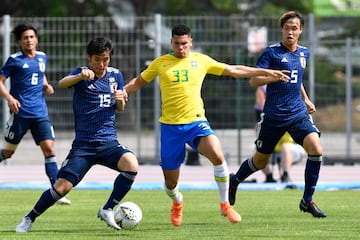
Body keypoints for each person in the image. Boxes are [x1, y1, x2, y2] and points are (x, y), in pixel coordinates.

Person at [125, 24, 289, 226]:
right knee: (170, 183)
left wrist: (266, 72)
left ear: (190, 41)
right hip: (170, 128)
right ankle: (177, 201)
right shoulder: (161, 63)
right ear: (171, 43)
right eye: (177, 44)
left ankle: (225, 204)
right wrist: (123, 92)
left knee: (217, 155)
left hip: (196, 123)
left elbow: (233, 70)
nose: (181, 48)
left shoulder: (200, 60)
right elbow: (138, 82)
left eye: (184, 43)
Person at [15, 37, 139, 233]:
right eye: (97, 59)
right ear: (89, 57)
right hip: (84, 147)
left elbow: (120, 108)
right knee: (61, 188)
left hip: (108, 143)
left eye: (105, 59)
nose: (101, 64)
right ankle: (29, 218)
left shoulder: (116, 75)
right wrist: (81, 76)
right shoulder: (82, 74)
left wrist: (121, 100)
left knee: (131, 165)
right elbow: (63, 83)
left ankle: (107, 208)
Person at [229, 11, 327, 218]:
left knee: (316, 149)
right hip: (273, 116)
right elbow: (253, 81)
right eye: (287, 28)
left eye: (294, 28)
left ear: (300, 30)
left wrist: (306, 99)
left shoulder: (304, 53)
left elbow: (296, 79)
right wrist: (272, 77)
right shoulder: (271, 53)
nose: (290, 32)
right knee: (260, 162)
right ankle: (235, 179)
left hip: (297, 114)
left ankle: (307, 200)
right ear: (281, 30)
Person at [0, 23, 70, 205]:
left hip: (40, 113)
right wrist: (9, 98)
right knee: (7, 153)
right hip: (20, 114)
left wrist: (45, 84)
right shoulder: (14, 60)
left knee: (50, 150)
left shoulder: (42, 57)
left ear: (36, 39)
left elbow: (40, 74)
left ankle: (56, 191)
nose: (29, 40)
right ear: (19, 41)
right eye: (25, 38)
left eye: (32, 37)